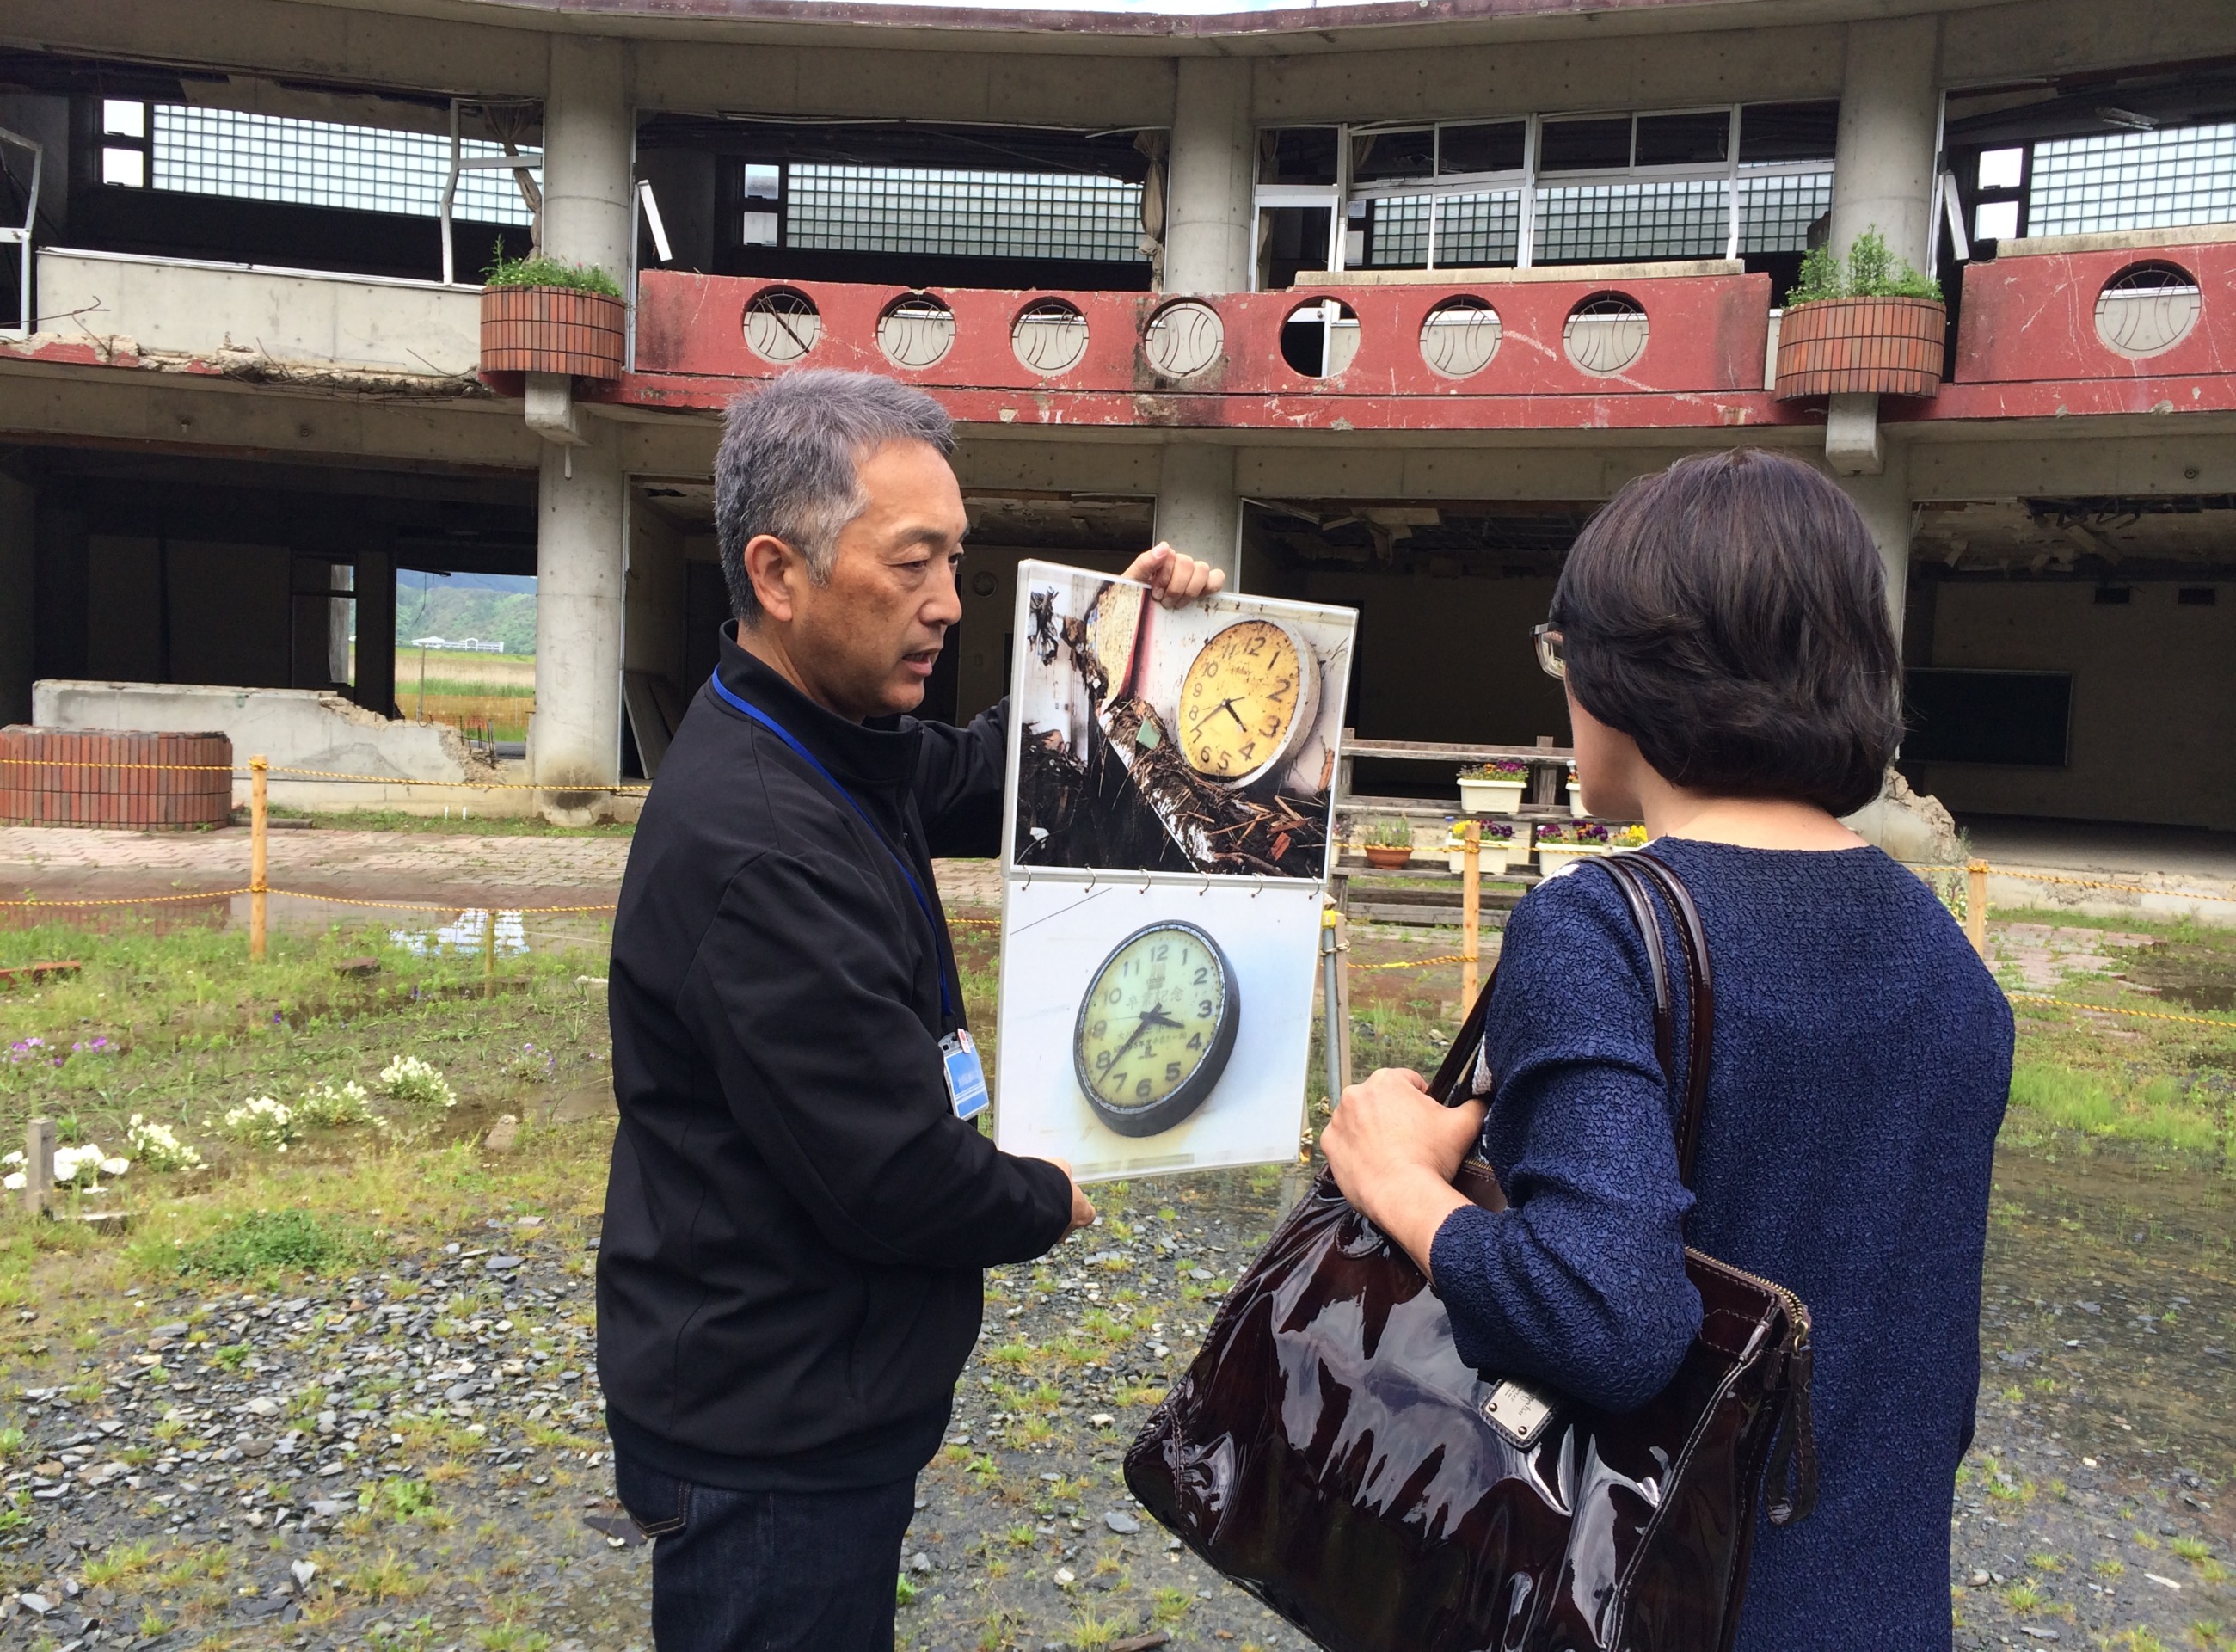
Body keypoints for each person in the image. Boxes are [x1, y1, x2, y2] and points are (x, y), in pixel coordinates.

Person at [1321, 449, 2012, 1651]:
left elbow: (1611, 1317)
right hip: (1887, 1607)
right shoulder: (1949, 962)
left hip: (1658, 1607)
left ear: (1623, 673)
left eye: (1563, 651)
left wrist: (1399, 1182)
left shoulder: (1597, 926)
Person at [598, 368, 1223, 1652]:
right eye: (914, 562)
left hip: (802, 1384)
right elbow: (895, 1176)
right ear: (778, 574)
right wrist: (1050, 1192)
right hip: (768, 1429)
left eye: (957, 558)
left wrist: (1122, 645)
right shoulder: (761, 842)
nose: (948, 602)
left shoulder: (818, 736)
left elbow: (990, 772)